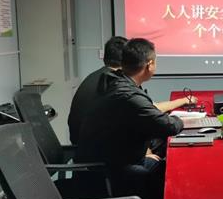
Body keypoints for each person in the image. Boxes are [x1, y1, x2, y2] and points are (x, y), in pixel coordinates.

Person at [77, 38, 184, 199]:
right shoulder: (127, 95)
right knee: (169, 184)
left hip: (114, 156)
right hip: (110, 171)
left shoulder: (115, 82)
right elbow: (168, 126)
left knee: (165, 159)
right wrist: (183, 119)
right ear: (149, 64)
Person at [68, 36, 196, 144]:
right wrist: (188, 121)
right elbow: (166, 124)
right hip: (105, 156)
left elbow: (147, 110)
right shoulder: (122, 89)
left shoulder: (108, 79)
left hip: (98, 147)